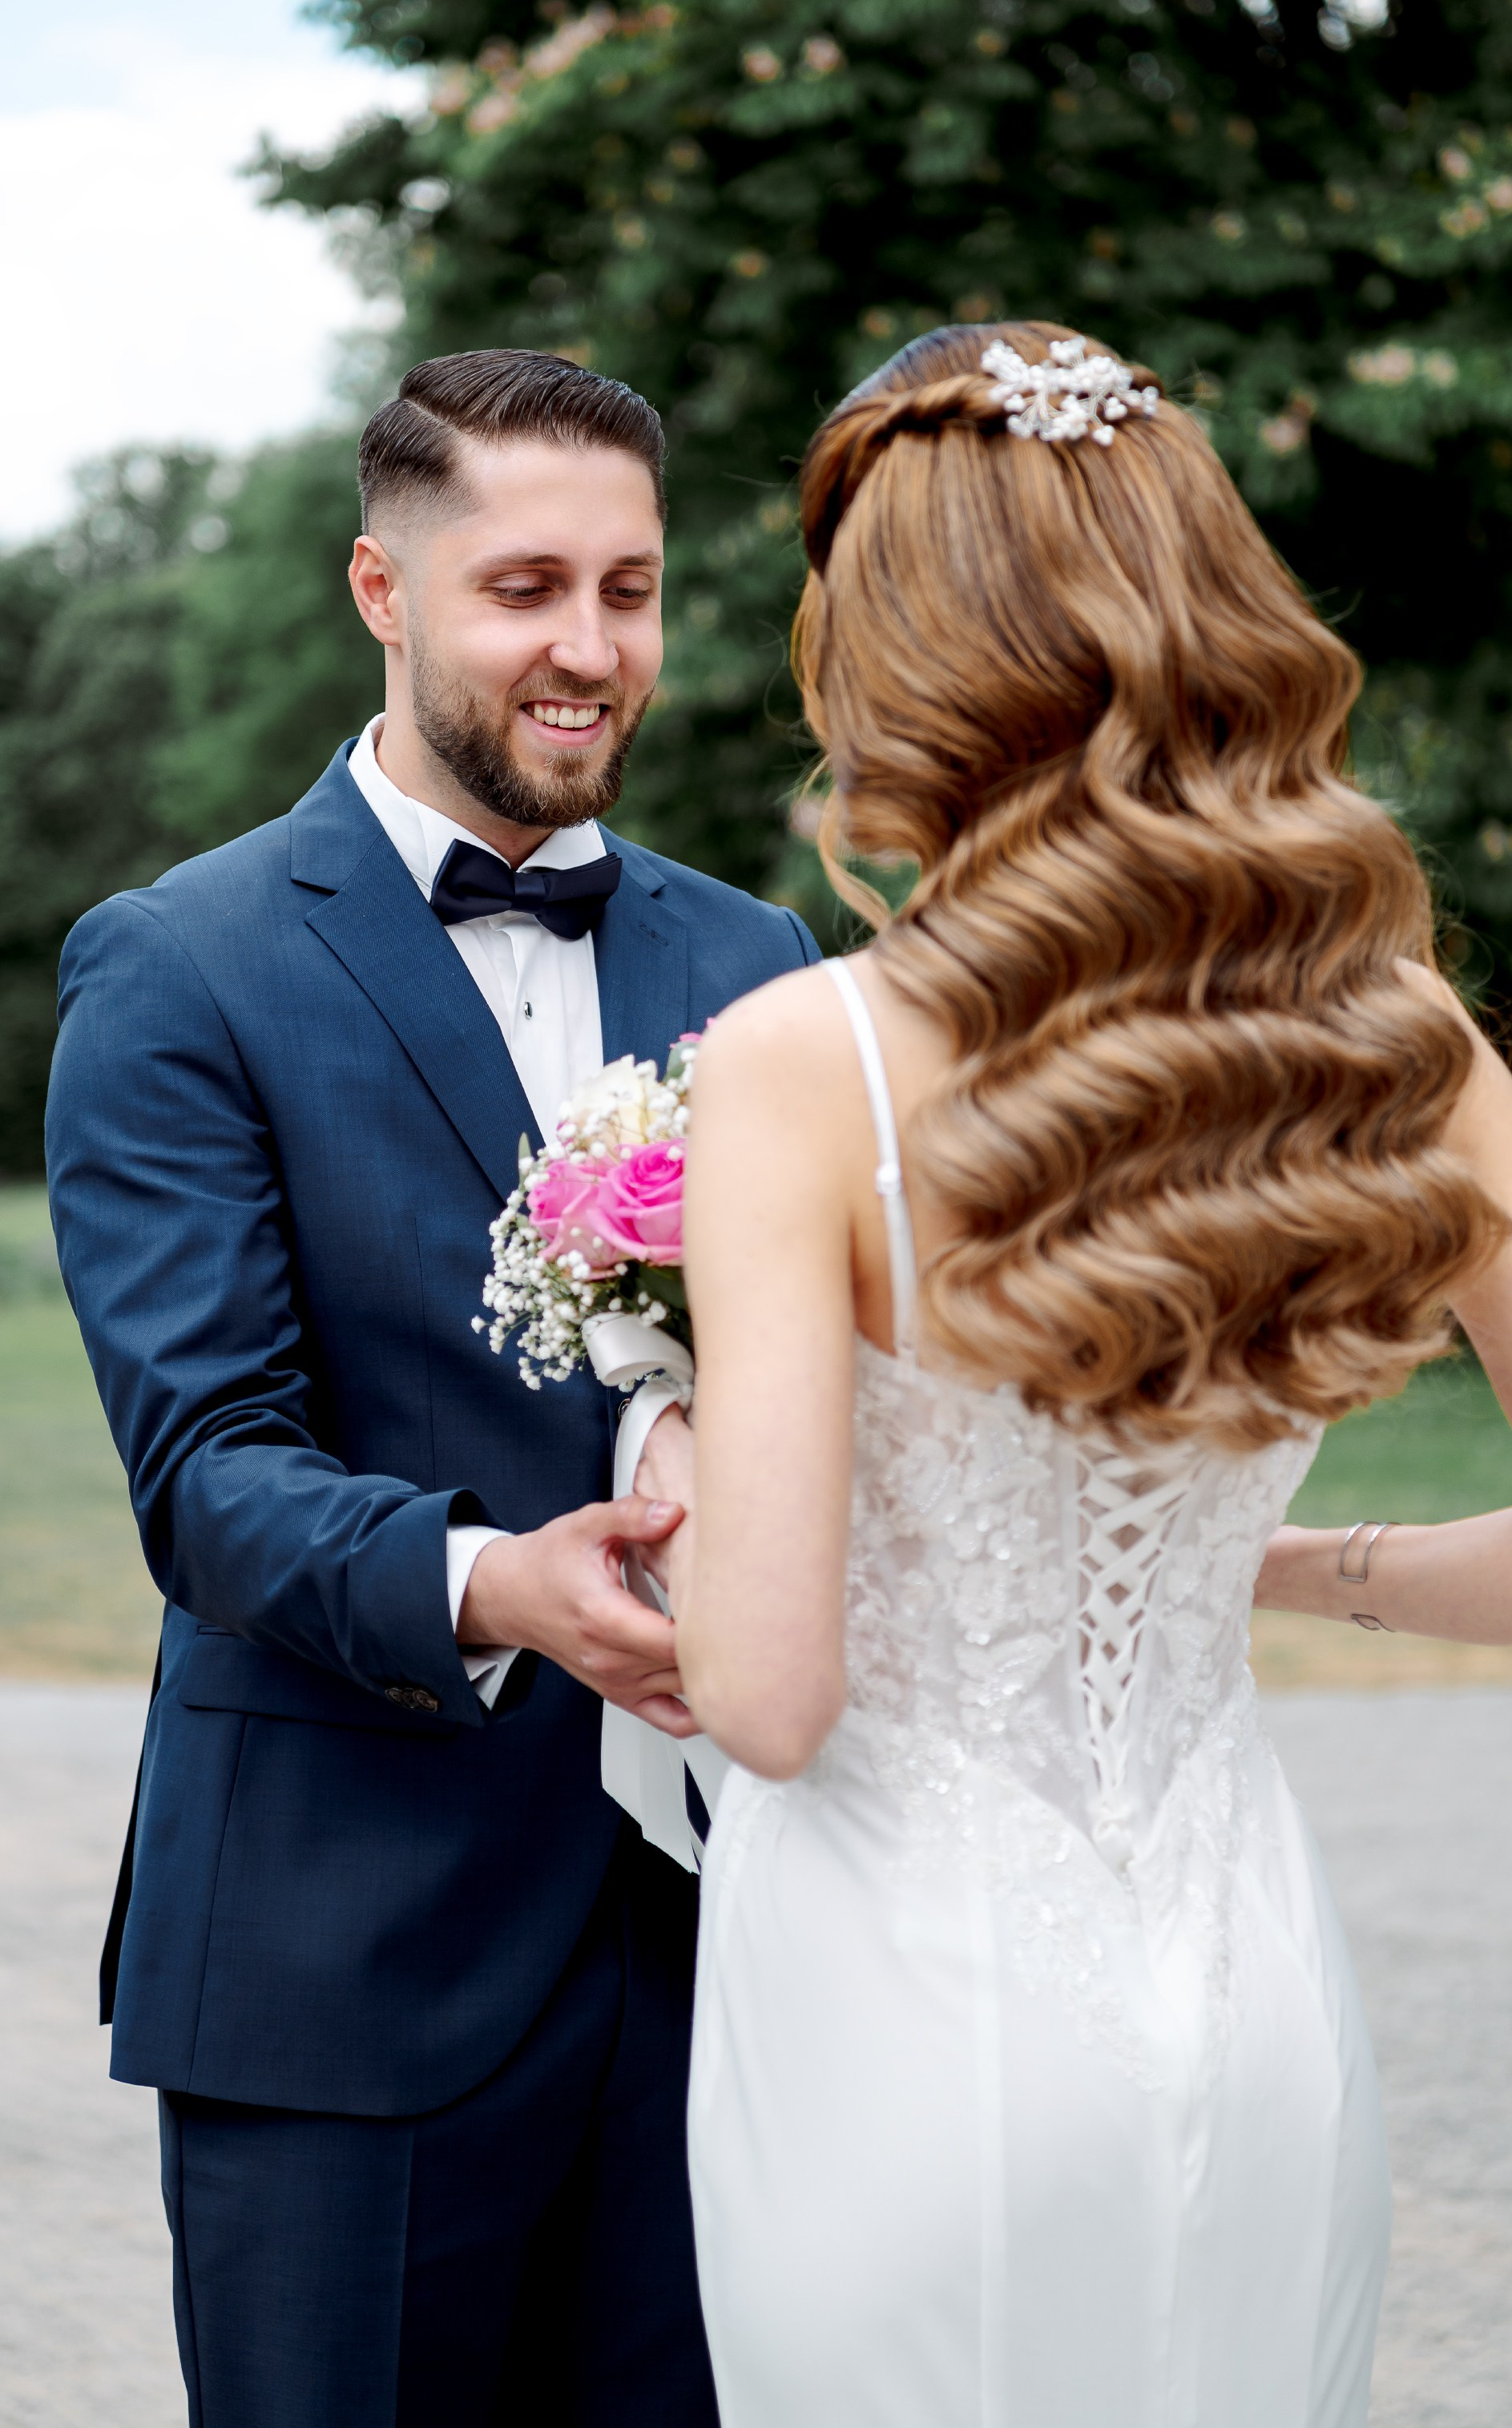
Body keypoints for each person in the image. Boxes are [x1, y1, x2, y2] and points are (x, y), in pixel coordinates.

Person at [635, 323, 1512, 2427]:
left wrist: (668, 1431)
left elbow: (768, 1698)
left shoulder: (802, 1066)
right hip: (1251, 2002)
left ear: (886, 656)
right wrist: (1267, 1569)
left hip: (897, 2033)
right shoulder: (1394, 1042)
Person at [45, 350, 815, 2428]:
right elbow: (206, 1474)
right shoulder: (180, 964)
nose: (589, 650)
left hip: (719, 1955)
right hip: (339, 1964)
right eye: (527, 588)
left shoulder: (764, 965)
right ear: (381, 590)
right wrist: (495, 1582)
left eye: (633, 591)